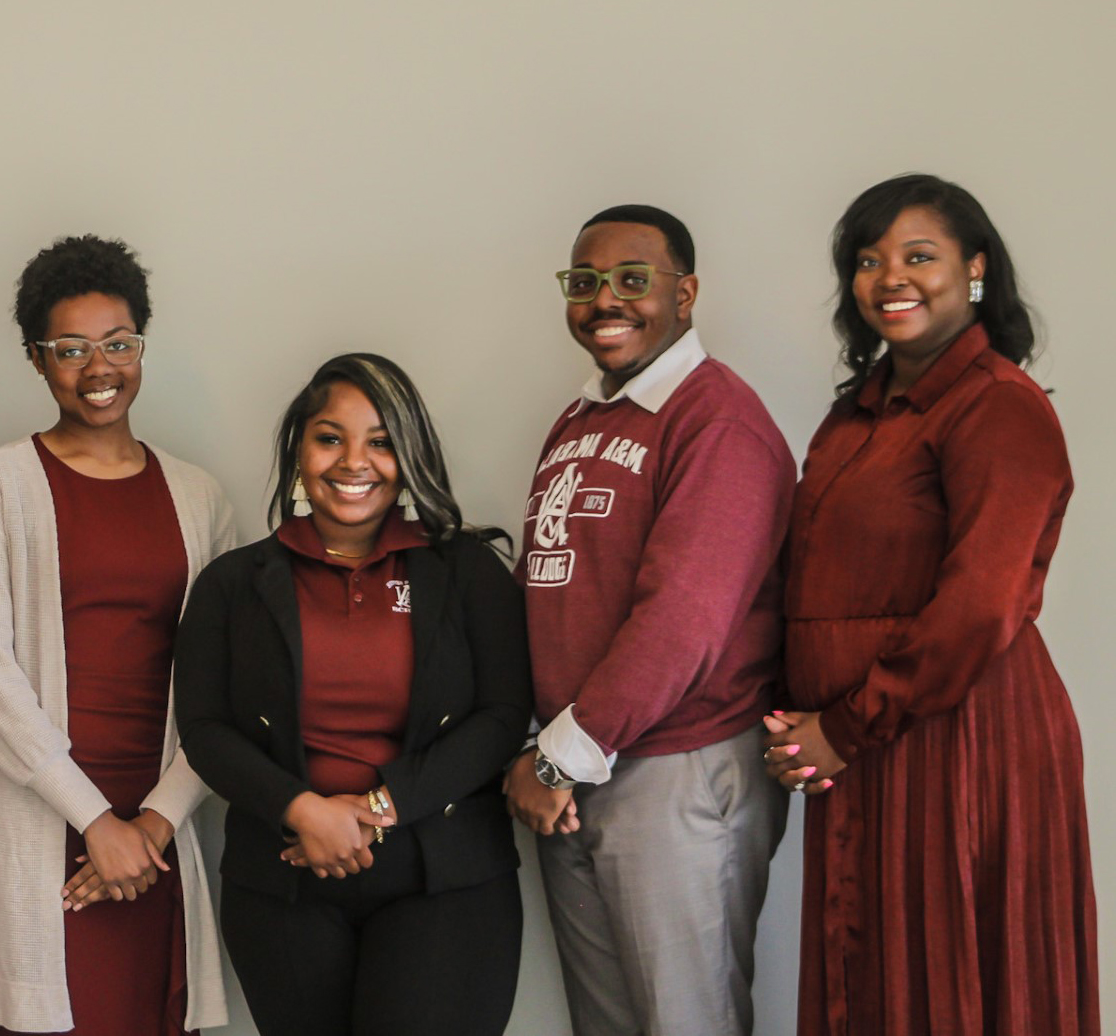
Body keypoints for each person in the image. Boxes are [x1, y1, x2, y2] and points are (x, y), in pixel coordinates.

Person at [765, 173, 1099, 1035]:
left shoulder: (997, 407)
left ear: (975, 270)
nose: (888, 278)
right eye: (868, 261)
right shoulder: (854, 416)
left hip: (958, 739)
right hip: (862, 744)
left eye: (918, 256)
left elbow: (980, 605)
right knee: (870, 985)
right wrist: (798, 717)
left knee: (948, 987)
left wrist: (842, 727)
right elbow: (807, 582)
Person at [0, 236, 232, 1035]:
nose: (100, 369)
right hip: (43, 814)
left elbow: (225, 682)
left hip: (160, 819)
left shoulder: (200, 498)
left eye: (119, 344)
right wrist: (95, 823)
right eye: (71, 350)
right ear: (36, 359)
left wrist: (152, 825)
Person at [174, 353, 528, 1036]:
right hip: (281, 882)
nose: (352, 462)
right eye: (330, 437)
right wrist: (302, 810)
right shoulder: (230, 584)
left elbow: (502, 717)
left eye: (380, 441)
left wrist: (375, 809)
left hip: (447, 882)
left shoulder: (466, 573)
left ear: (410, 454)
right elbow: (205, 729)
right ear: (298, 449)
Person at [505, 205, 792, 1035]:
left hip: (676, 769)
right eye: (584, 282)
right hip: (579, 764)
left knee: (684, 1023)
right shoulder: (580, 419)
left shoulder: (718, 420)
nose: (605, 300)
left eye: (632, 280)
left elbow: (684, 620)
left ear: (686, 292)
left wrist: (558, 758)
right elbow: (548, 591)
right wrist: (544, 749)